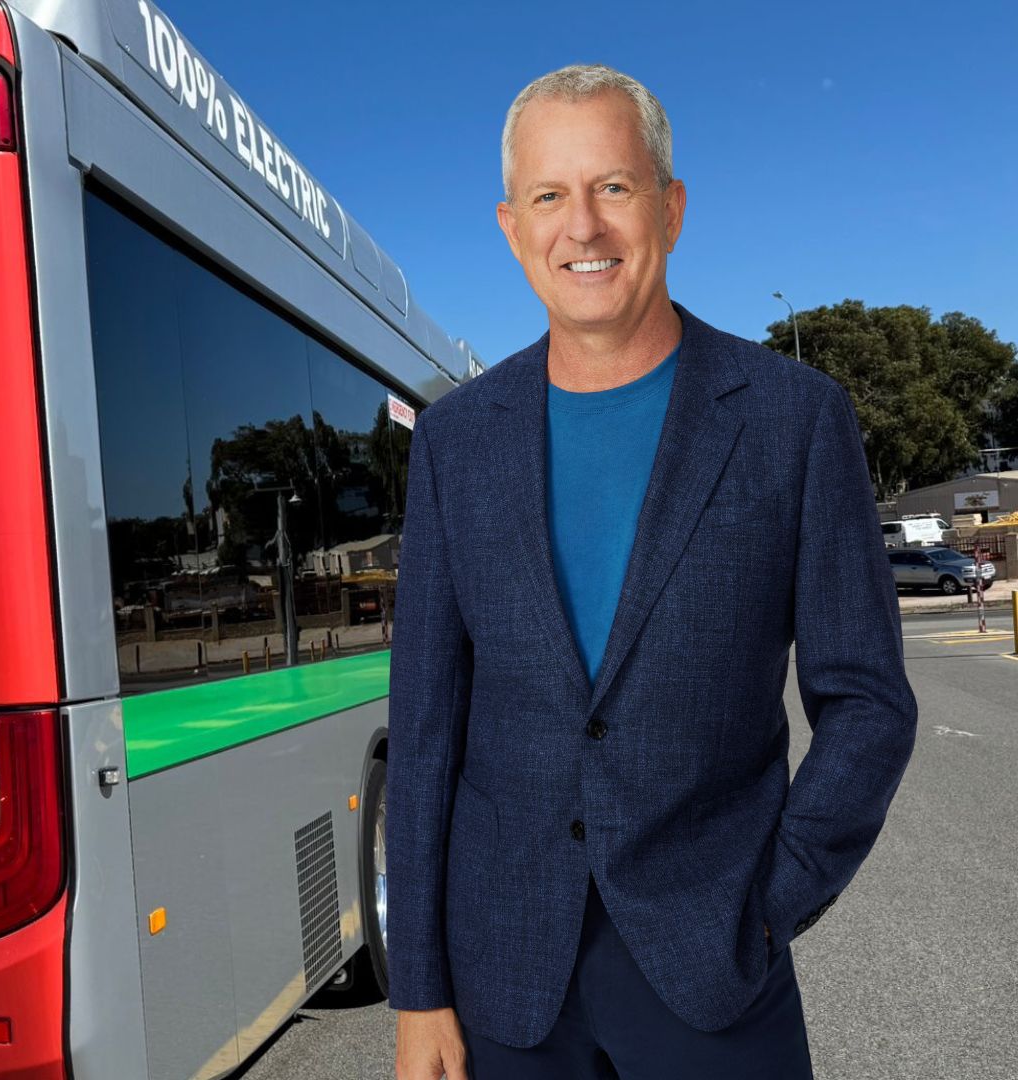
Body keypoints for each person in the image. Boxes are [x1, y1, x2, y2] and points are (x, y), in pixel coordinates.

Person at [387, 65, 915, 1079]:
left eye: (613, 188)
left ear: (670, 208)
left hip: (715, 972)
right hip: (505, 987)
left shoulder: (793, 420)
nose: (581, 227)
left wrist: (771, 902)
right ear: (511, 225)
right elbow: (423, 735)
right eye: (549, 196)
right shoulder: (455, 442)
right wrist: (419, 992)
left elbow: (868, 703)